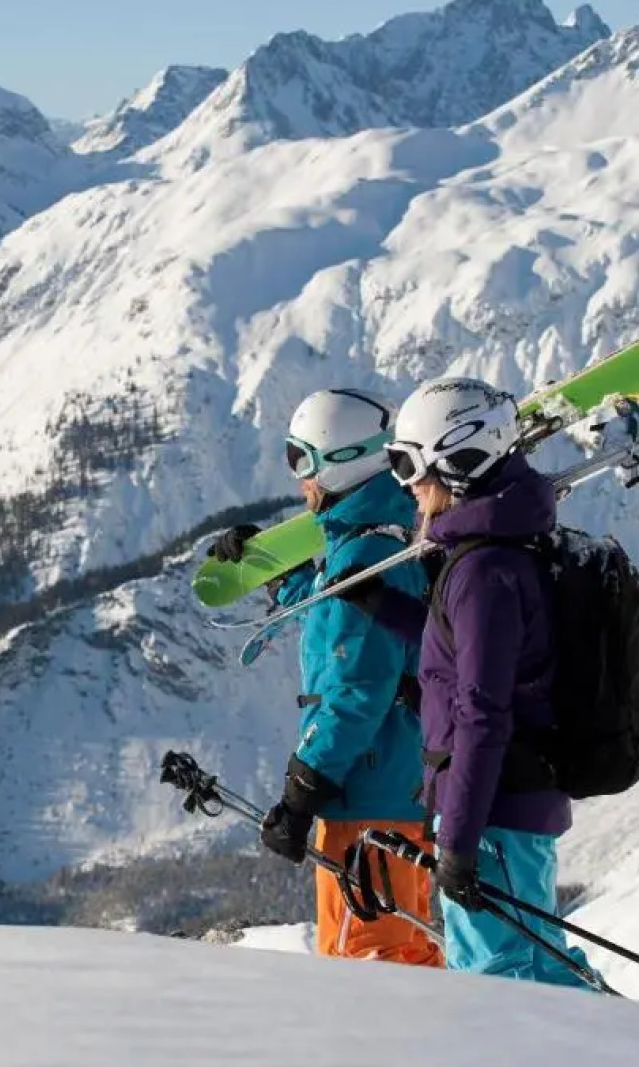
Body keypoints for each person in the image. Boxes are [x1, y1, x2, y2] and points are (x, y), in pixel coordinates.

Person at [209, 388, 442, 967]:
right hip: (398, 793)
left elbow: (357, 693)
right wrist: (280, 574)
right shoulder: (384, 540)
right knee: (408, 957)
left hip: (366, 805)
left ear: (340, 462)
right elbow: (337, 611)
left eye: (302, 460)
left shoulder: (361, 560)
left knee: (365, 966)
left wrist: (301, 791)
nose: (299, 482)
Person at [382, 375, 598, 987]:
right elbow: (457, 650)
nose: (407, 486)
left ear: (454, 464)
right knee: (538, 970)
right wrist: (377, 606)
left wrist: (460, 835)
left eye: (408, 465)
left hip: (493, 808)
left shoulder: (483, 569)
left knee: (497, 984)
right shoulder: (493, 555)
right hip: (510, 802)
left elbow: (483, 710)